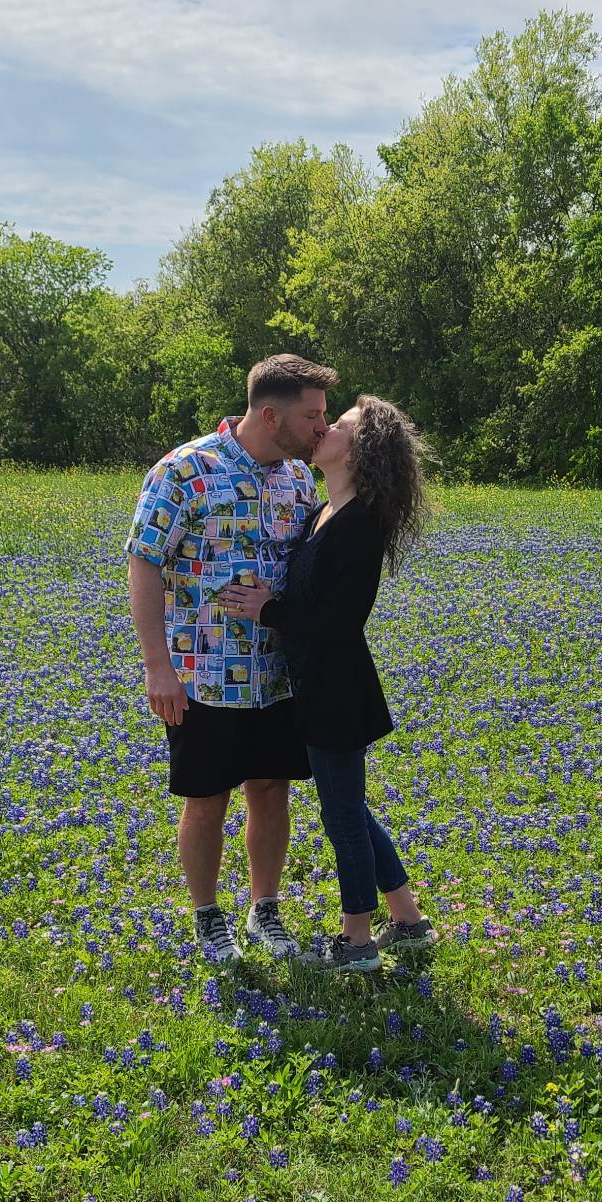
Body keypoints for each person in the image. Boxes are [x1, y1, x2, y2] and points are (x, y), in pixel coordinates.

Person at [126, 354, 336, 962]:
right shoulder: (185, 470)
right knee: (207, 796)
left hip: (277, 672)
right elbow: (143, 561)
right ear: (270, 415)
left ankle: (264, 910)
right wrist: (157, 666)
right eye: (312, 416)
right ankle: (207, 916)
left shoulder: (299, 479)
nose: (321, 428)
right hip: (204, 671)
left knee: (271, 788)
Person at [221, 396, 434, 972]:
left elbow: (340, 621)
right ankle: (409, 920)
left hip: (337, 691)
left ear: (360, 450)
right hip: (315, 684)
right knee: (351, 809)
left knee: (342, 819)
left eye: (338, 425)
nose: (324, 428)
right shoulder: (324, 511)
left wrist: (268, 611)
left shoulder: (359, 523)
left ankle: (356, 942)